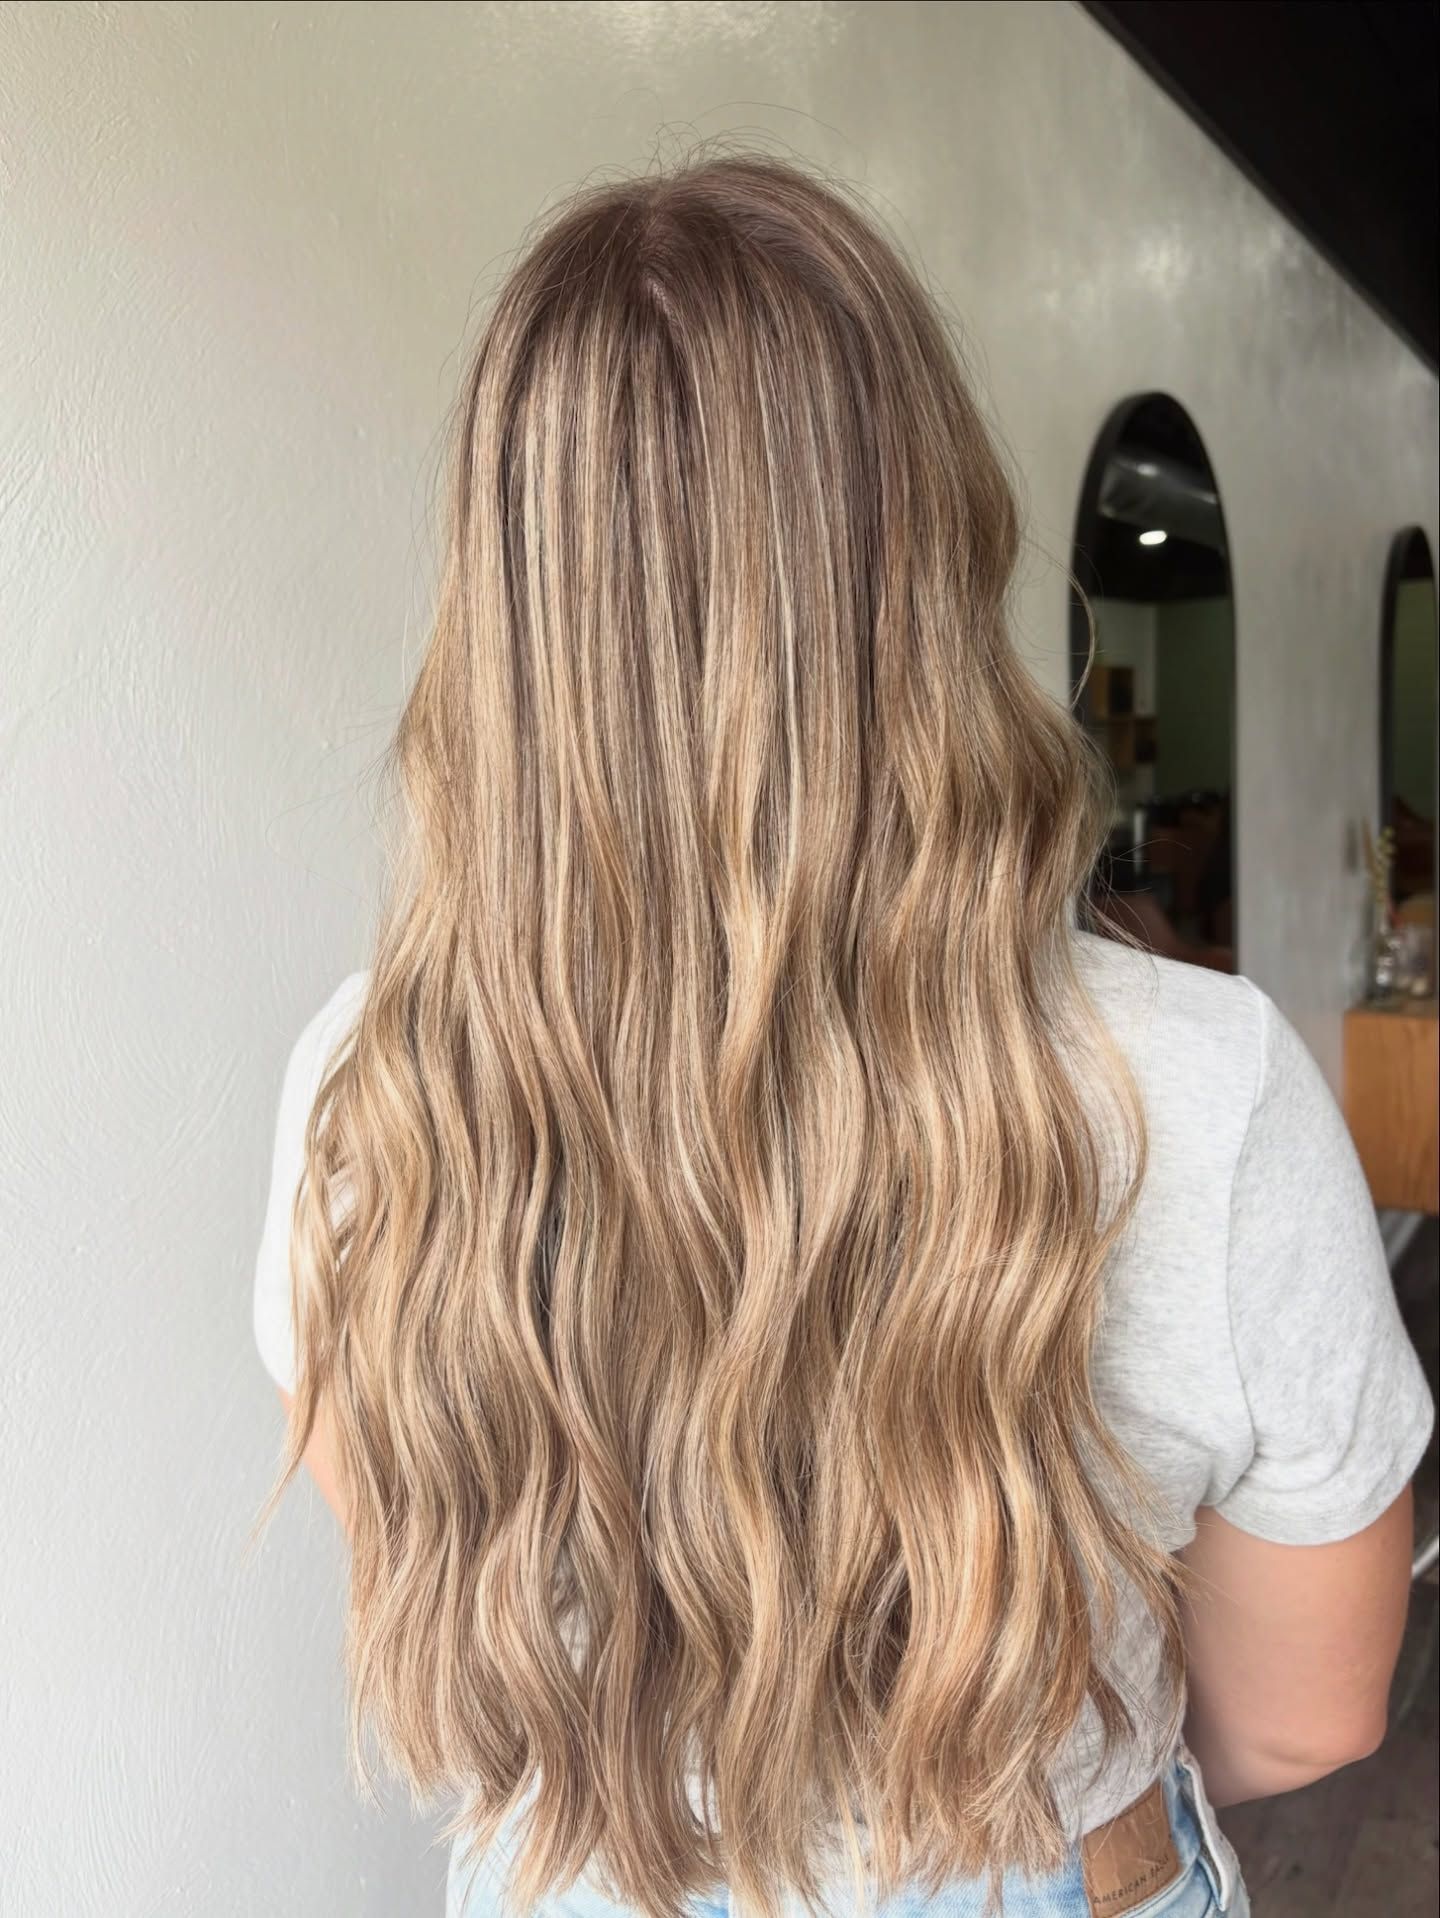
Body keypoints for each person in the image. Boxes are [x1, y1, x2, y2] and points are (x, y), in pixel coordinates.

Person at [252, 156, 1433, 1918]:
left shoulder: (377, 1086)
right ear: (933, 556)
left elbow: (421, 1550)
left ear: (507, 613)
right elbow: (1310, 1711)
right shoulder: (1207, 1086)